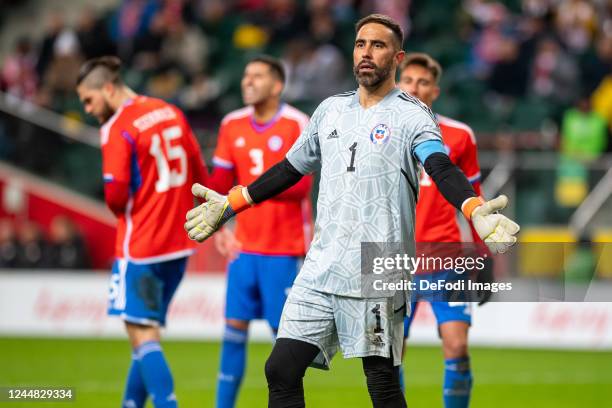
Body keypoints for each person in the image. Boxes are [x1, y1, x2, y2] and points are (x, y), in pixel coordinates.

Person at [185, 14, 519, 407]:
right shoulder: (329, 110)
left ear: (397, 58)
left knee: (380, 381)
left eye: (378, 45)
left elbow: (440, 166)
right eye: (361, 44)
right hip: (322, 264)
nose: (367, 52)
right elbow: (289, 168)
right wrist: (231, 204)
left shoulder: (413, 115)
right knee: (280, 370)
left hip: (378, 265)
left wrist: (474, 208)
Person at [76, 56, 208, 408]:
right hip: (179, 244)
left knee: (140, 332)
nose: (88, 109)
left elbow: (116, 196)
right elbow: (198, 169)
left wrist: (130, 207)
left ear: (108, 88)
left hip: (142, 244)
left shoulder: (118, 125)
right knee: (145, 331)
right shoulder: (169, 110)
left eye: (89, 100)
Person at [207, 56, 312, 408]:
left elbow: (300, 187)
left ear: (277, 85)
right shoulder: (231, 124)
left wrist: (248, 192)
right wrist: (221, 226)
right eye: (245, 75)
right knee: (233, 331)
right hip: (244, 248)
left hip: (285, 249)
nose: (247, 81)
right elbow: (218, 184)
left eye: (257, 76)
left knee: (284, 342)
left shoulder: (297, 123)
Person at [398, 52, 488, 408]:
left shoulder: (460, 135)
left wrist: (483, 254)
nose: (415, 88)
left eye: (423, 82)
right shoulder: (379, 131)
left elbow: (475, 200)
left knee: (457, 346)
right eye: (408, 80)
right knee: (389, 355)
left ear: (435, 90)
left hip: (446, 258)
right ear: (398, 84)